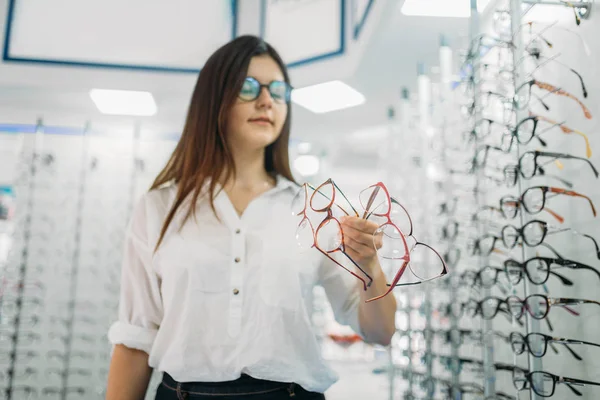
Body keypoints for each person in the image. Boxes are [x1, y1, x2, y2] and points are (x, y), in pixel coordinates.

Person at [105, 35, 396, 400]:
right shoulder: (160, 208)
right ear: (214, 99)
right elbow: (136, 339)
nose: (266, 101)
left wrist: (371, 267)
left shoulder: (313, 210)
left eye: (278, 90)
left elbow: (380, 332)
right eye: (248, 87)